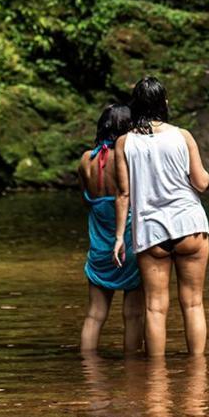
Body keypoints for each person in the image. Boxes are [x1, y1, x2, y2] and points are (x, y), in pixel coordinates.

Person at [113, 77, 209, 357]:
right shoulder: (183, 136)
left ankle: (154, 384)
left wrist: (119, 238)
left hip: (150, 232)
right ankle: (197, 375)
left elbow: (123, 194)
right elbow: (201, 183)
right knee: (193, 304)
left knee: (154, 308)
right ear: (164, 104)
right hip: (189, 225)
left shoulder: (124, 143)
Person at [78, 104, 144, 354]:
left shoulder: (86, 160)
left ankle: (89, 374)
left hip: (99, 244)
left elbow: (86, 200)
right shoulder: (128, 157)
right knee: (134, 314)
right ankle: (133, 373)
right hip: (129, 241)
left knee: (94, 315)